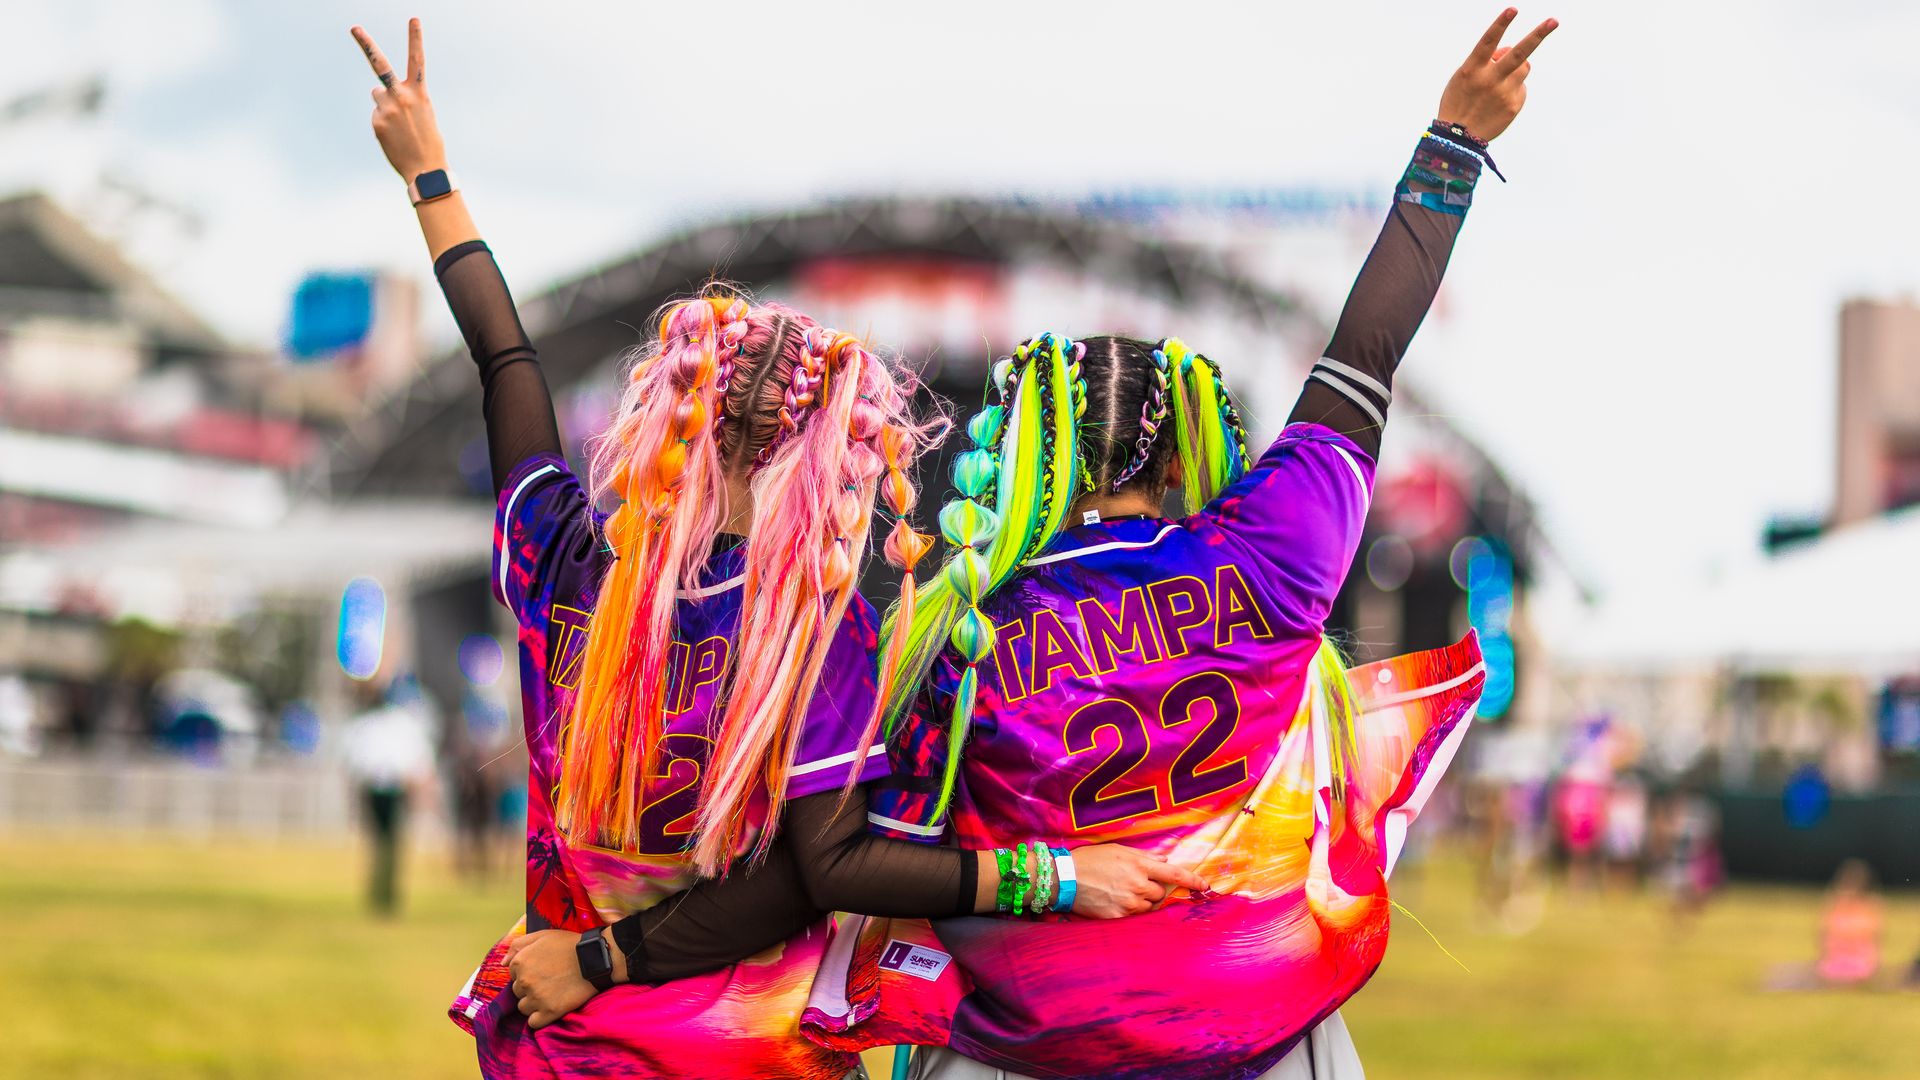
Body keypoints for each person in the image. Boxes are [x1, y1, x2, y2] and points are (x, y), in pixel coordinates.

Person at [505, 10, 1555, 1078]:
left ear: (1030, 448)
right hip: (1260, 1036)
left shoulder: (948, 638)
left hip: (1025, 1052)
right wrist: (1451, 150)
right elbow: (1365, 353)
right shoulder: (1279, 550)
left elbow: (862, 866)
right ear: (1192, 437)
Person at [347, 20, 1193, 1079]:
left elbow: (505, 361)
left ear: (673, 418)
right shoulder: (808, 634)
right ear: (827, 447)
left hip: (567, 1045)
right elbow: (816, 874)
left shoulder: (566, 560)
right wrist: (1055, 880)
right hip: (742, 1045)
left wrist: (430, 174)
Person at [340, 678, 437, 915]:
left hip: (390, 787)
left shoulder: (382, 724)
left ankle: (385, 893)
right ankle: (382, 892)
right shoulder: (386, 724)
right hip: (384, 787)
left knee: (386, 841)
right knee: (386, 842)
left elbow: (355, 759)